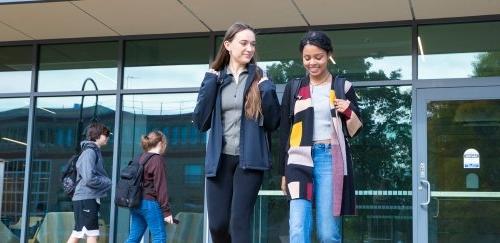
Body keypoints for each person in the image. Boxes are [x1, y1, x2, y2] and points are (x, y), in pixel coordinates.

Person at [193, 22, 280, 243]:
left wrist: (268, 90)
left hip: (249, 161)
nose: (249, 48)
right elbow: (201, 123)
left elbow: (273, 122)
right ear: (228, 45)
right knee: (217, 225)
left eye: (252, 44)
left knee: (238, 222)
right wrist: (209, 84)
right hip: (219, 161)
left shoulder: (260, 79)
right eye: (244, 43)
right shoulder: (216, 78)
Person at [279, 31, 363, 243]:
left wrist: (348, 111)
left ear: (329, 55)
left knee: (327, 232)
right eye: (307, 58)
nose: (312, 62)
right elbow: (284, 132)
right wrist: (283, 173)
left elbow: (356, 130)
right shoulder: (294, 88)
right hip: (298, 160)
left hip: (329, 159)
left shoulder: (342, 87)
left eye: (318, 57)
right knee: (298, 230)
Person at [125, 130, 174, 243]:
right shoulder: (157, 160)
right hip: (149, 203)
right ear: (161, 143)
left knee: (133, 238)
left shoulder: (139, 157)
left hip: (136, 202)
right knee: (159, 237)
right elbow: (161, 187)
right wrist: (166, 211)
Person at [67, 122, 112, 243]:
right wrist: (108, 182)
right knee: (91, 233)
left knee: (81, 232)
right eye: (106, 134)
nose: (108, 137)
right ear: (97, 135)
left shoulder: (93, 151)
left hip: (87, 198)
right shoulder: (89, 152)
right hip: (85, 198)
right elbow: (89, 178)